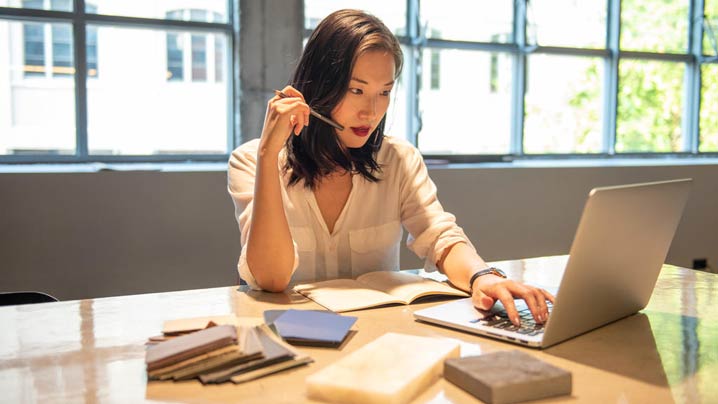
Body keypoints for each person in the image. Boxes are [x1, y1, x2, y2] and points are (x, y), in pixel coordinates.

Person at [228, 9, 553, 326]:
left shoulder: (399, 159)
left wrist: (482, 276)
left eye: (384, 92)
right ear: (318, 87)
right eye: (357, 90)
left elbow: (438, 234)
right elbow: (271, 279)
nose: (371, 111)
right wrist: (269, 155)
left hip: (379, 340)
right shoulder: (251, 161)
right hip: (291, 340)